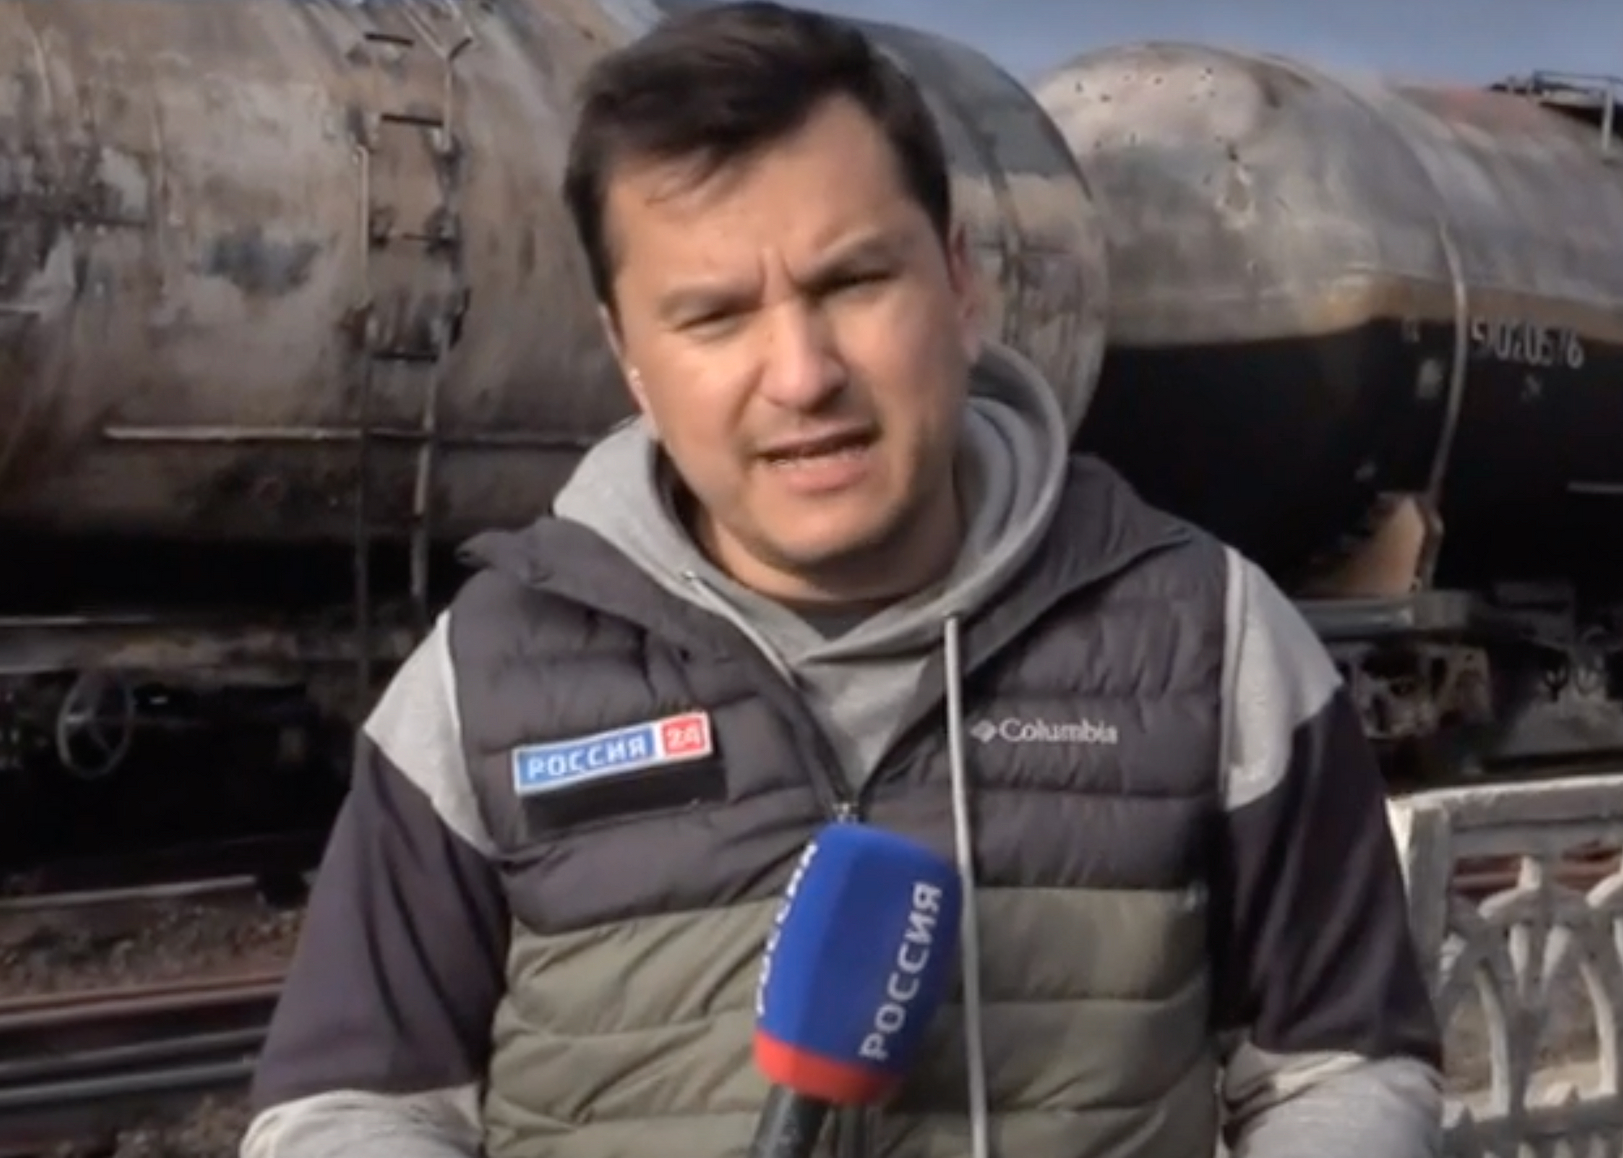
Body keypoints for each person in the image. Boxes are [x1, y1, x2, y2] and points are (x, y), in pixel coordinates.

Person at [239, 4, 1446, 1158]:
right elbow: (347, 1106)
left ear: (960, 285)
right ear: (630, 358)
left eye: (851, 283)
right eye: (713, 316)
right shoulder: (484, 679)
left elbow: (1341, 1067)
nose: (800, 374)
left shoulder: (1208, 637)